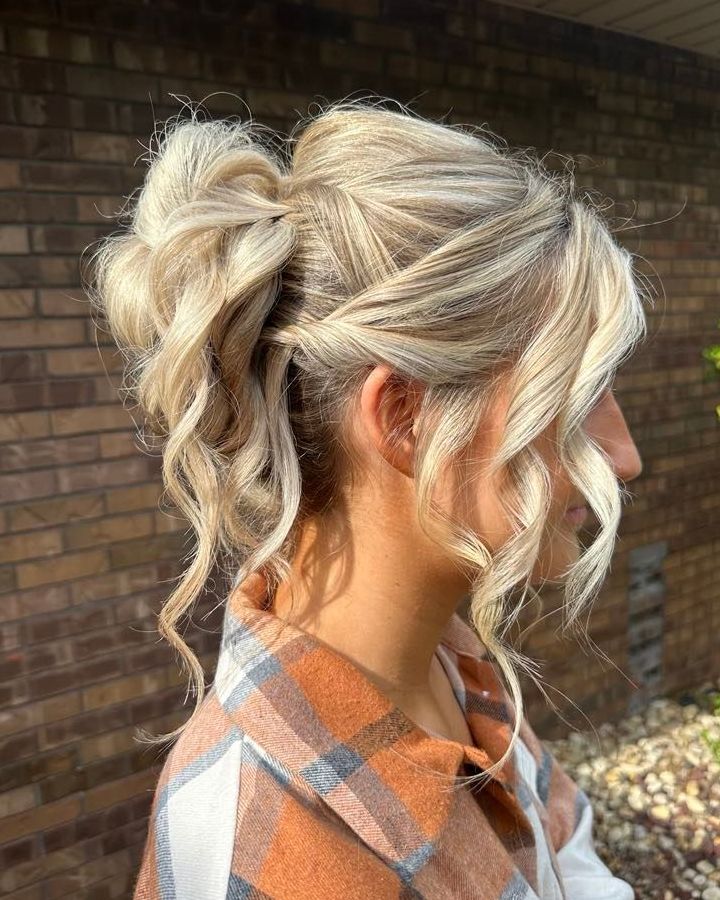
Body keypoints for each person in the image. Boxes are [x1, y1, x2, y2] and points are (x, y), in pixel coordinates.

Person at [88, 96, 648, 899]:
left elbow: (562, 845)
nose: (624, 458)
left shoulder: (440, 660)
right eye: (578, 393)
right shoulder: (270, 852)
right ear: (406, 417)